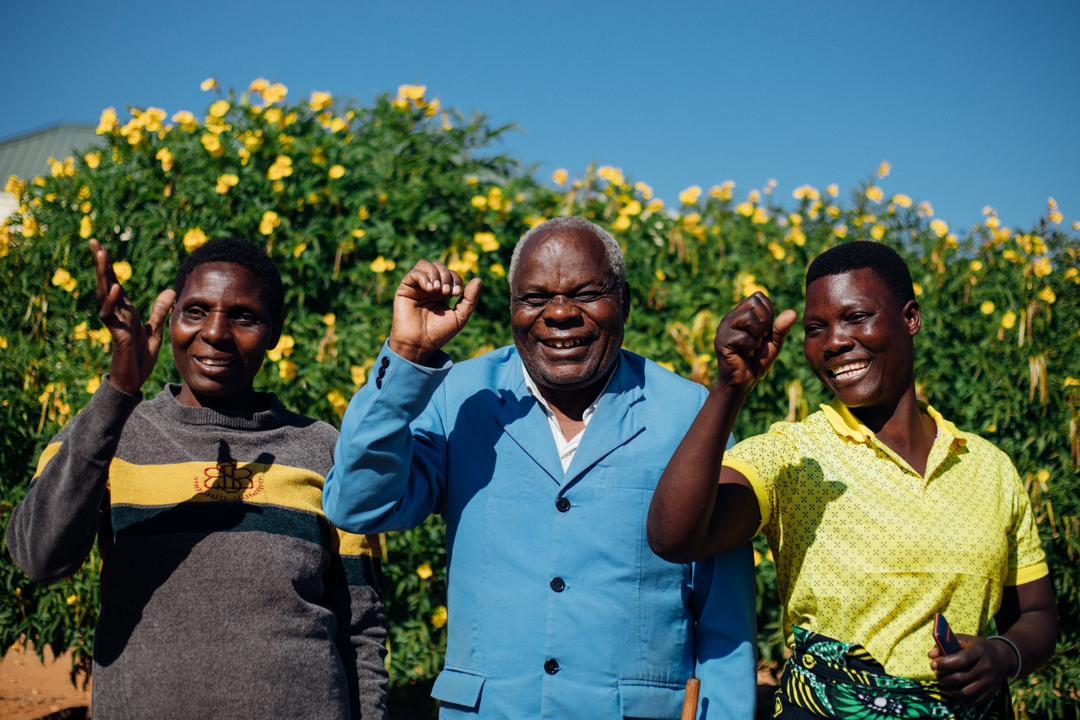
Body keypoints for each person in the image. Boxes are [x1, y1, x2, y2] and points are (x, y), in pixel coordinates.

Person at [324, 217, 756, 719]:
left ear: (626, 303)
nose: (559, 314)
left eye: (587, 293)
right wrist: (407, 356)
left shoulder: (687, 413)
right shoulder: (460, 397)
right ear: (512, 310)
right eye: (534, 299)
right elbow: (357, 505)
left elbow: (725, 614)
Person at [648, 241, 1058, 719]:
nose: (835, 341)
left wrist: (1003, 655)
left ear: (910, 319)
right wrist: (729, 389)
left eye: (856, 317)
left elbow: (1038, 617)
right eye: (815, 329)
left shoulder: (988, 468)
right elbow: (673, 536)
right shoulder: (792, 456)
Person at [7, 238, 389, 719]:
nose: (215, 333)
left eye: (244, 317)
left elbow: (363, 628)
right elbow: (38, 556)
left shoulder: (324, 450)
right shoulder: (109, 436)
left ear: (275, 332)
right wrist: (119, 391)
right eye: (195, 311)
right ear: (170, 322)